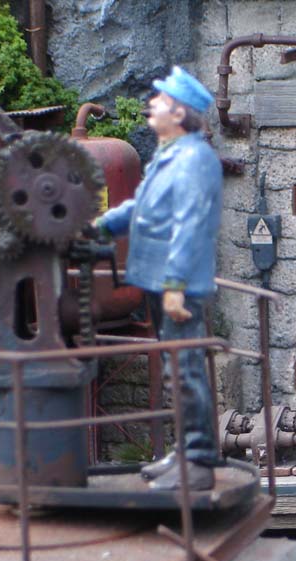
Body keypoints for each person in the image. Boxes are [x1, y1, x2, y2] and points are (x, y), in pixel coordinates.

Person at [94, 67, 222, 490]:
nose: (153, 105)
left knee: (185, 372)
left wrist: (175, 285)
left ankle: (198, 461)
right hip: (156, 277)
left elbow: (190, 224)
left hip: (174, 283)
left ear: (180, 114)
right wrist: (103, 226)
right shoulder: (170, 154)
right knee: (174, 371)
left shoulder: (194, 160)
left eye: (162, 101)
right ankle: (184, 452)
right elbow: (143, 207)